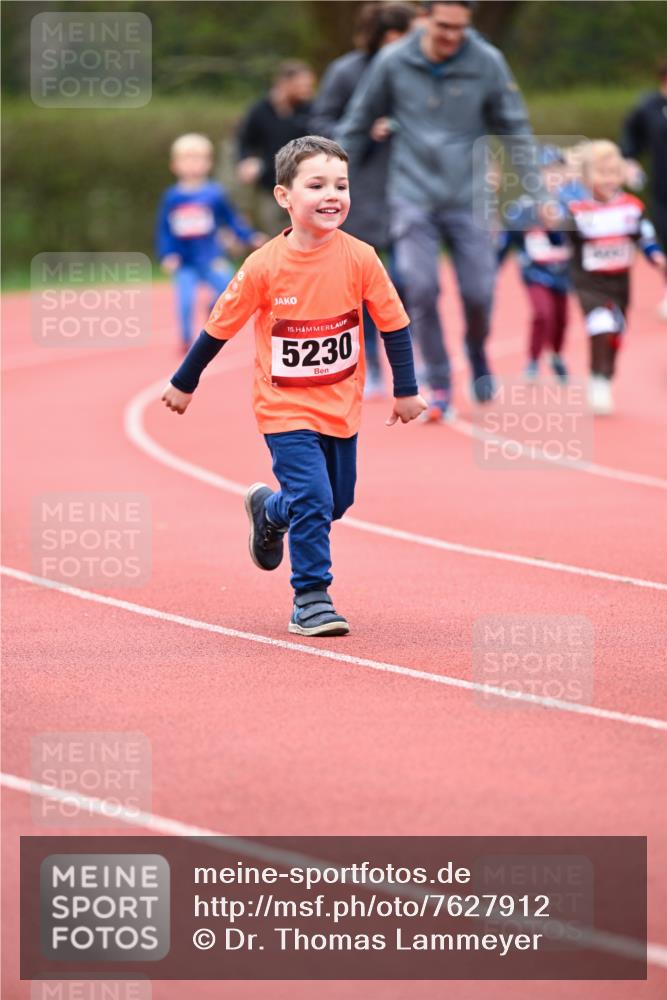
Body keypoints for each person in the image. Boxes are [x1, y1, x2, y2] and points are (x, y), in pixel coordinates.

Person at [161, 136, 426, 636]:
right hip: (283, 407)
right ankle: (311, 599)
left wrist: (406, 389)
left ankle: (269, 509)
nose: (333, 195)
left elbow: (393, 324)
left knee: (335, 501)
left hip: (340, 405)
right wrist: (184, 382)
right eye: (317, 184)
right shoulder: (263, 265)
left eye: (341, 185)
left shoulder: (362, 257)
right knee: (314, 498)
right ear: (284, 196)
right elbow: (219, 326)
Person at [337, 0, 534, 420]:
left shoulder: (487, 62)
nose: (451, 37)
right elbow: (357, 121)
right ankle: (441, 380)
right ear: (425, 19)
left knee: (478, 291)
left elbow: (514, 125)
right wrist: (329, 176)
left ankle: (477, 350)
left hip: (469, 194)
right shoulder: (393, 61)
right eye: (443, 26)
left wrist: (536, 189)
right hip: (412, 194)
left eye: (460, 28)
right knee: (420, 289)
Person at [309, 1, 417, 397]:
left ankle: (407, 357)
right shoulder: (345, 71)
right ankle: (367, 360)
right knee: (363, 285)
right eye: (400, 37)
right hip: (362, 187)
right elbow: (319, 125)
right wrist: (362, 132)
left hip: (410, 185)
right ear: (383, 36)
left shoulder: (420, 73)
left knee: (409, 280)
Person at [563, 141, 666, 415]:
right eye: (601, 172)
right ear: (585, 178)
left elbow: (644, 236)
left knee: (617, 332)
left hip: (620, 282)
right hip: (589, 282)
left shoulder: (631, 207)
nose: (608, 179)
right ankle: (597, 379)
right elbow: (560, 240)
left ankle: (606, 373)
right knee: (601, 325)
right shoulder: (577, 212)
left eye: (613, 172)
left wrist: (656, 256)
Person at [156, 133, 263, 350]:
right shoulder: (172, 197)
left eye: (198, 159)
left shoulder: (214, 194)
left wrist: (249, 235)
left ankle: (213, 309)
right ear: (174, 165)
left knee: (229, 289)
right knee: (185, 302)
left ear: (209, 163)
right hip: (185, 261)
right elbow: (164, 229)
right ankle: (186, 340)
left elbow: (231, 220)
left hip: (211, 256)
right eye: (187, 159)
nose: (193, 164)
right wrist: (168, 253)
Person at [497, 148, 571, 383]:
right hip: (535, 272)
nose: (551, 177)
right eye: (545, 172)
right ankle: (533, 361)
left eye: (556, 172)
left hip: (562, 273)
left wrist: (556, 224)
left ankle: (556, 355)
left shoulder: (572, 207)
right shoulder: (520, 209)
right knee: (542, 313)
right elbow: (506, 242)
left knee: (561, 319)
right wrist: (492, 271)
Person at [236, 60, 315, 236]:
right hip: (269, 184)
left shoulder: (310, 110)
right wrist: (246, 160)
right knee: (275, 235)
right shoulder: (260, 110)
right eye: (301, 86)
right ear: (284, 84)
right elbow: (244, 141)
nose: (307, 91)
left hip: (303, 184)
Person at [620, 58, 667, 319]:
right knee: (665, 237)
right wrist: (629, 161)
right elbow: (631, 136)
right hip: (662, 187)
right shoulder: (649, 107)